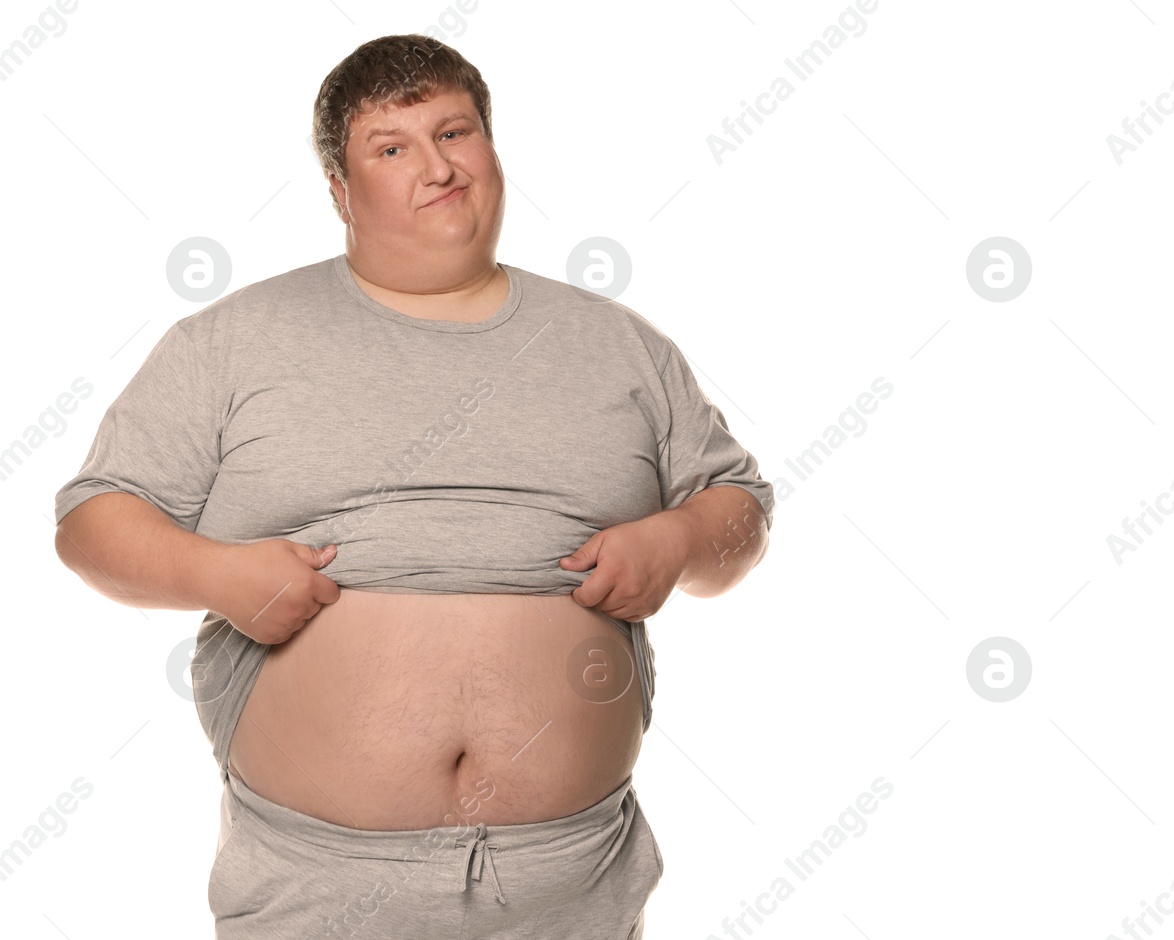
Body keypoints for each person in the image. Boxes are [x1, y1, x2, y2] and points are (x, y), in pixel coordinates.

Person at [51, 33, 773, 939]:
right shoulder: (229, 343)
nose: (438, 167)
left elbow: (738, 509)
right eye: (393, 147)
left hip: (570, 889)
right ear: (340, 191)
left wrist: (678, 543)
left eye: (456, 133)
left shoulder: (620, 345)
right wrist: (216, 578)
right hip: (316, 891)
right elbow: (91, 519)